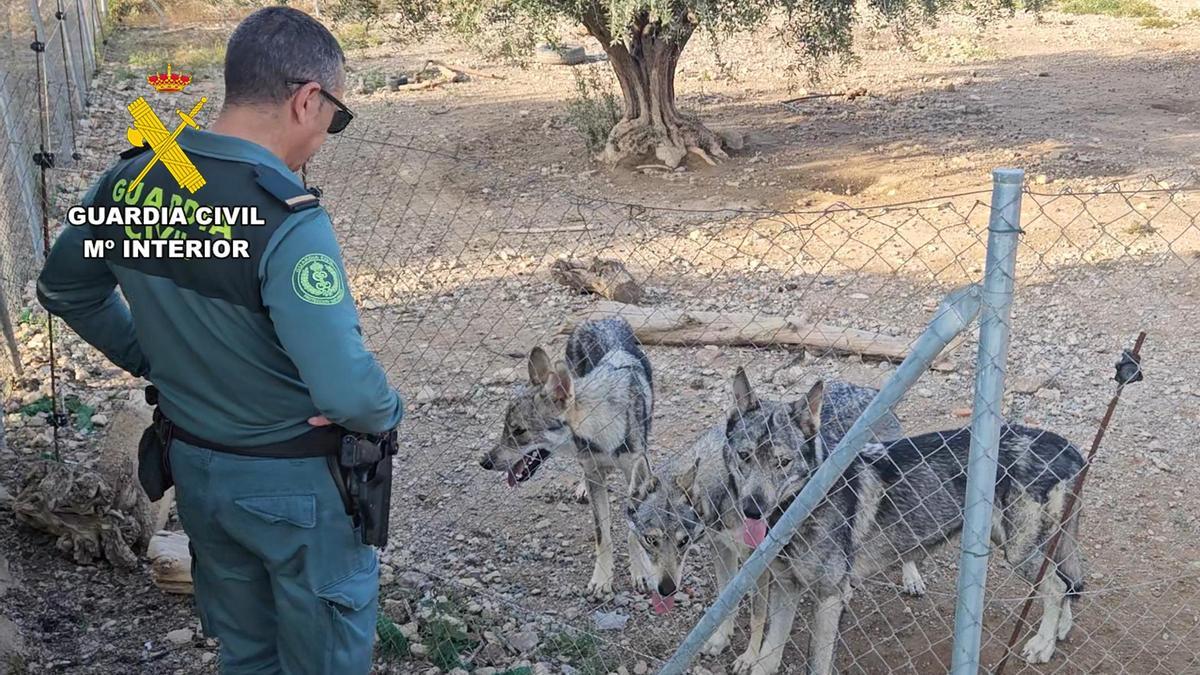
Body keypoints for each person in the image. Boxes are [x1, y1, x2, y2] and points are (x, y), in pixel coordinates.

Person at [36, 7, 403, 674]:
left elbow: (64, 289)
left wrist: (156, 356)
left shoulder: (132, 182)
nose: (327, 135)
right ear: (306, 100)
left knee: (246, 656)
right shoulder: (288, 220)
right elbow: (349, 392)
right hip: (297, 487)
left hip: (199, 474)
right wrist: (385, 410)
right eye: (335, 118)